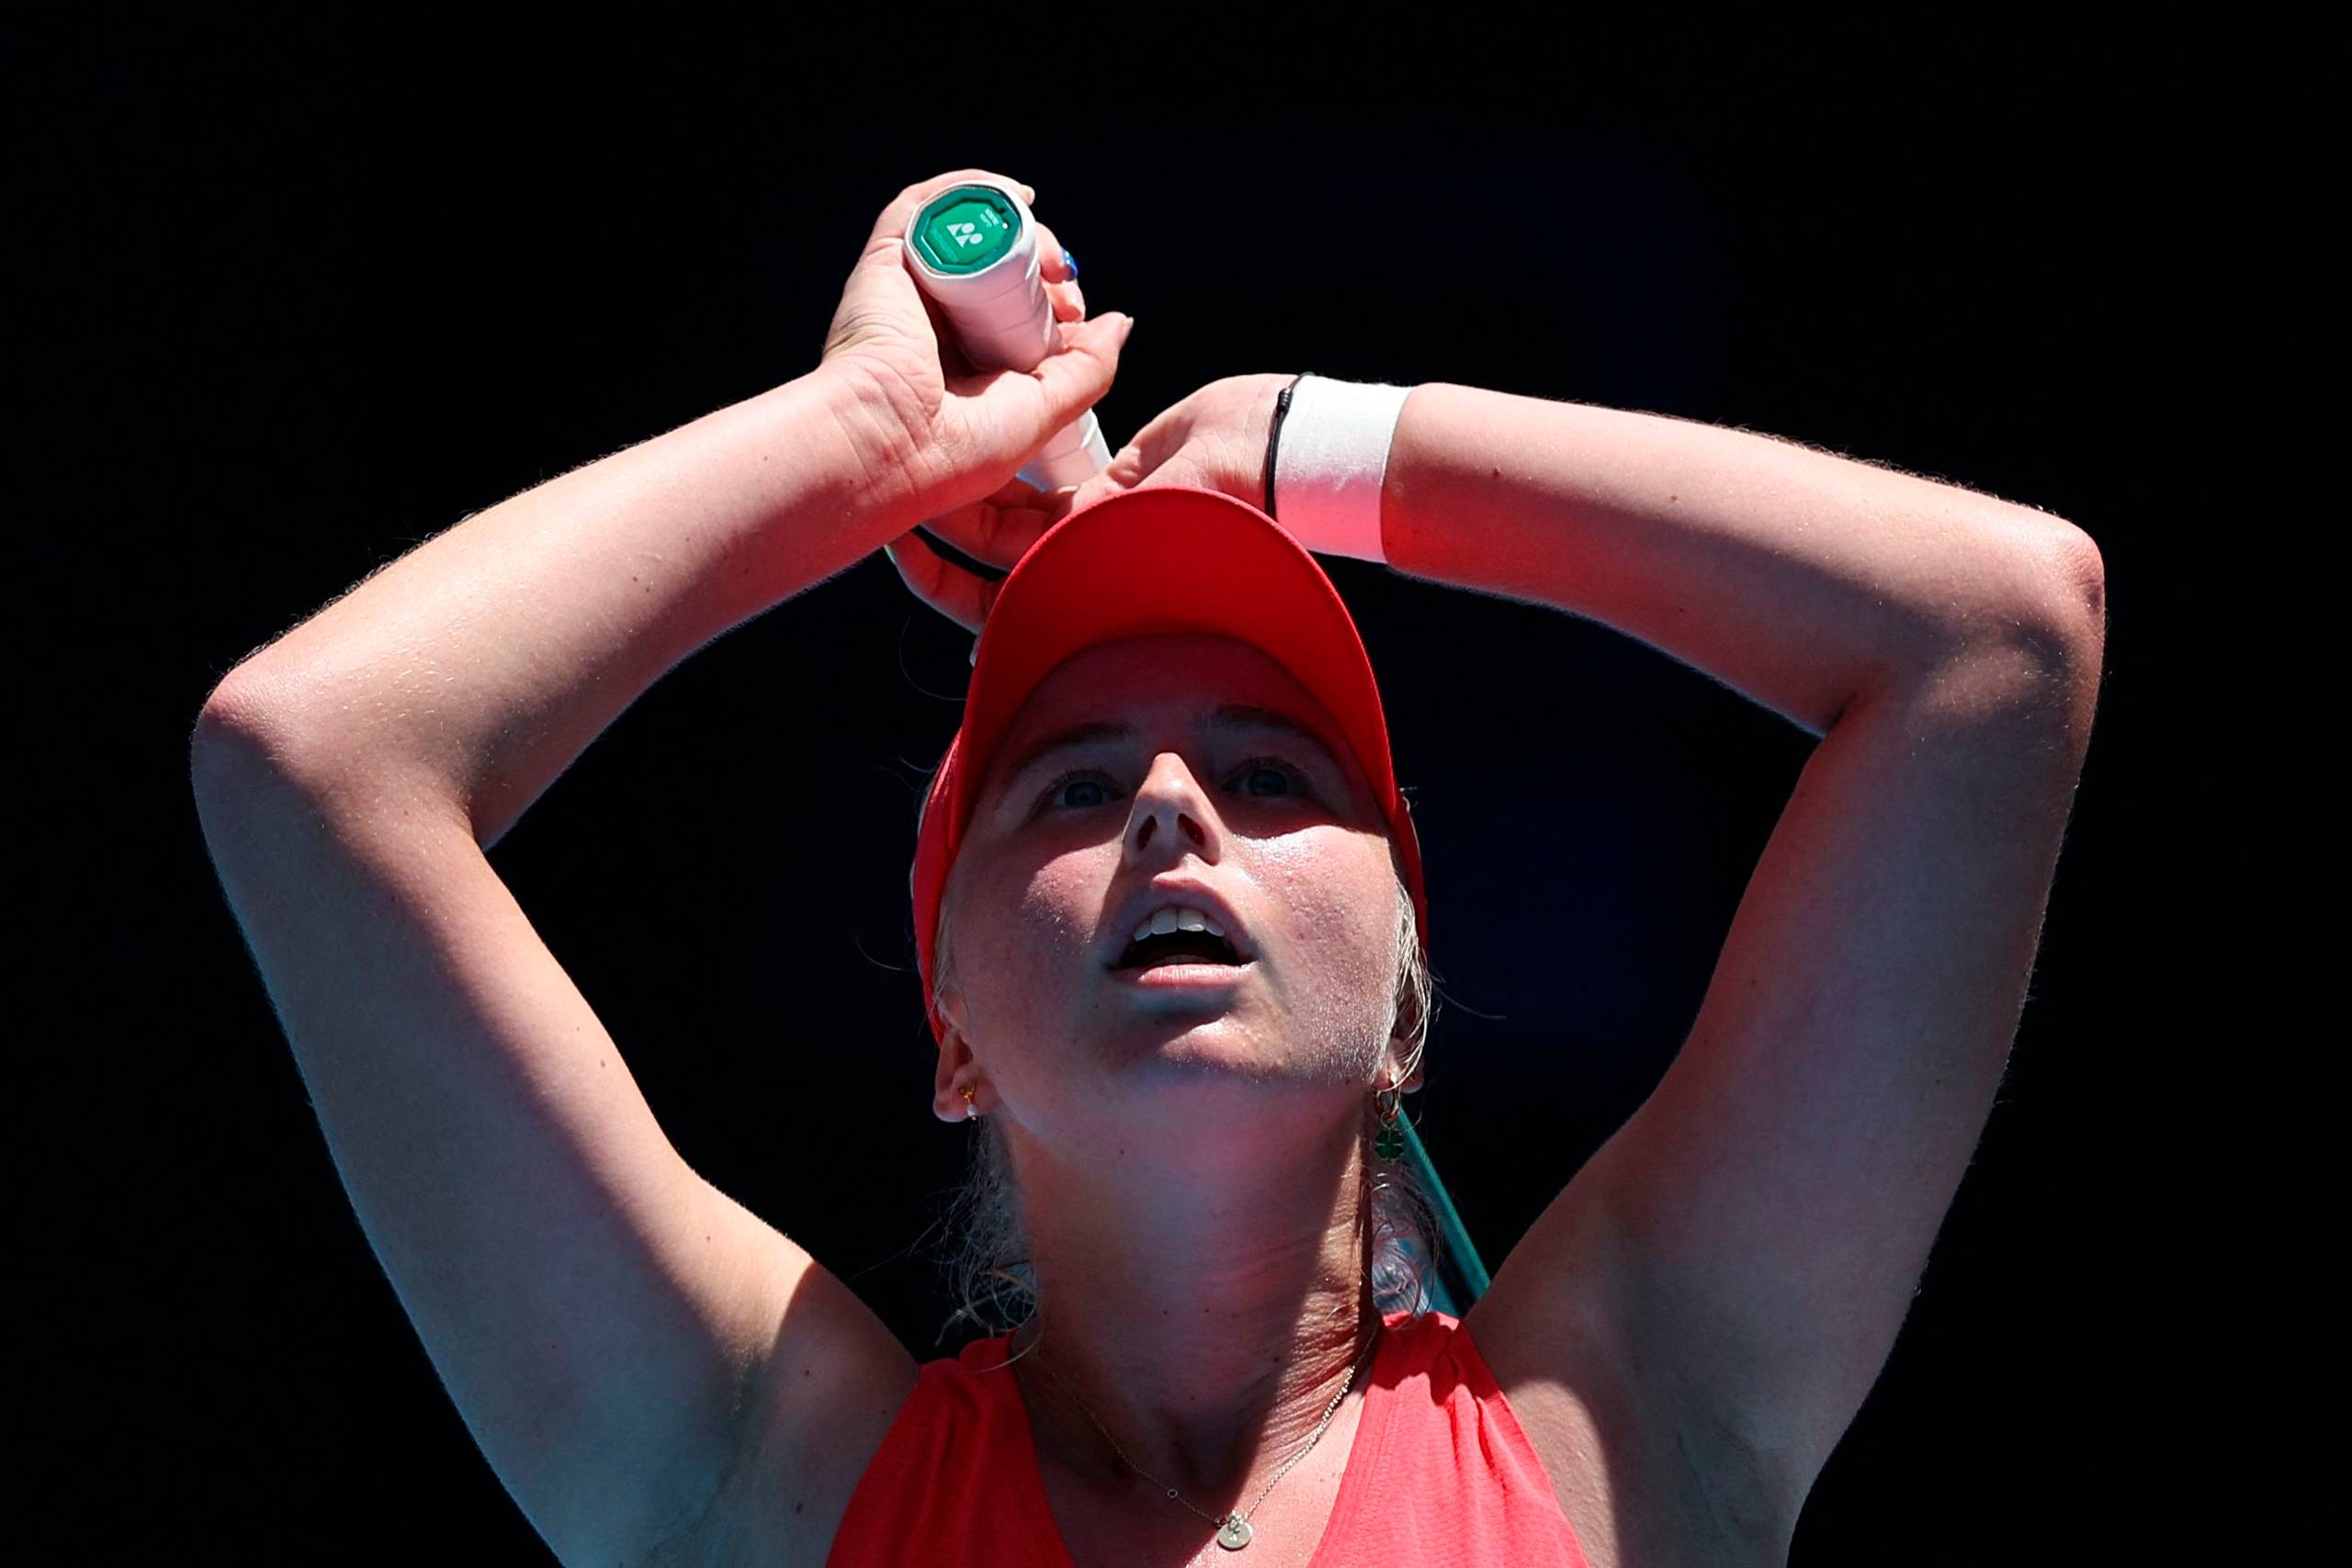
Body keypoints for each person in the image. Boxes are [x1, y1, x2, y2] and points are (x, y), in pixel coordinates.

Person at [192, 169, 2108, 1567]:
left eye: (1270, 772)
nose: (1173, 809)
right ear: (949, 1023)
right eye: (1070, 789)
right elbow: (314, 755)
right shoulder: (768, 1480)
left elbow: (1999, 635)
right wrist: (863, 436)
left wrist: (1327, 451)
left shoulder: (1627, 1425)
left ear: (1406, 994)